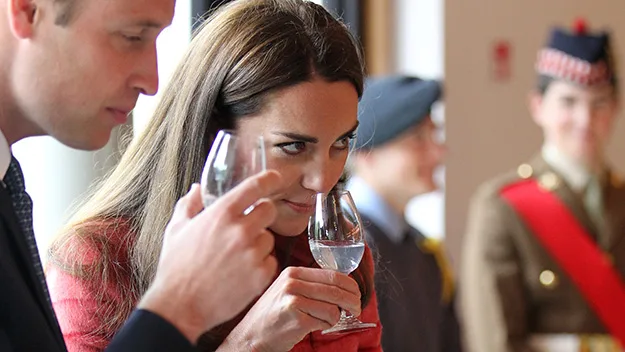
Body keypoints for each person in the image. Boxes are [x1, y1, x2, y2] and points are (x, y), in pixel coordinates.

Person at [45, 0, 382, 351]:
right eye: (294, 146)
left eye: (341, 142)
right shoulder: (97, 264)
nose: (322, 182)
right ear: (215, 135)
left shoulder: (326, 251)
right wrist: (251, 343)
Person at [0, 0, 283, 350]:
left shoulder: (8, 182)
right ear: (28, 10)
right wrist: (179, 307)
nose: (151, 82)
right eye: (132, 37)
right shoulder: (92, 259)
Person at [460, 19, 625, 352]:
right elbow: (495, 341)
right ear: (538, 106)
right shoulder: (502, 207)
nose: (585, 120)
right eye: (569, 102)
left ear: (616, 108)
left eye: (599, 103)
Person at [347, 75, 462, 352]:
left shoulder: (423, 250)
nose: (439, 152)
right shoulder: (343, 250)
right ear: (368, 154)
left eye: (435, 134)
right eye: (418, 140)